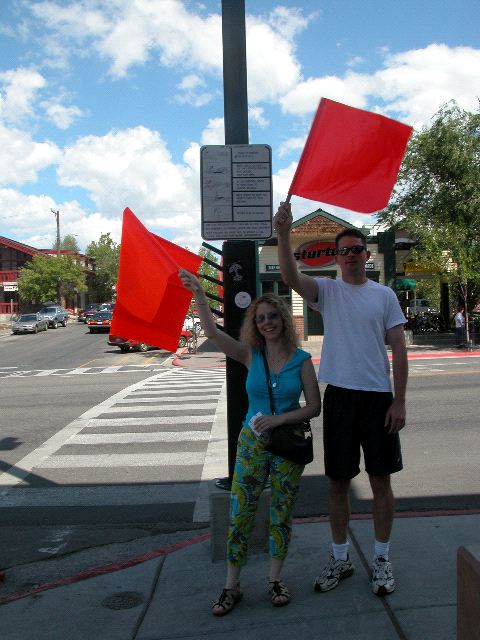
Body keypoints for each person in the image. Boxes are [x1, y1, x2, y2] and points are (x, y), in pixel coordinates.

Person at [273, 201, 408, 597]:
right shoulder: (327, 291)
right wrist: (282, 235)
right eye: (344, 250)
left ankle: (382, 559)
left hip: (379, 399)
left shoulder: (383, 295)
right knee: (338, 482)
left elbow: (398, 349)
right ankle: (340, 557)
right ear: (336, 257)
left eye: (357, 250)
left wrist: (399, 400)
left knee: (380, 480)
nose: (351, 256)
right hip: (341, 399)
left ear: (367, 256)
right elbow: (290, 276)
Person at [179, 268, 321, 615]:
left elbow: (315, 407)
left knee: (281, 514)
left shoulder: (301, 361)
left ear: (284, 320)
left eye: (273, 316)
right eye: (261, 319)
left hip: (286, 446)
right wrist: (199, 293)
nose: (268, 322)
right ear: (254, 325)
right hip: (252, 444)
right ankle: (232, 585)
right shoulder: (249, 355)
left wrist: (281, 418)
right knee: (240, 512)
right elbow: (211, 331)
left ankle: (274, 580)